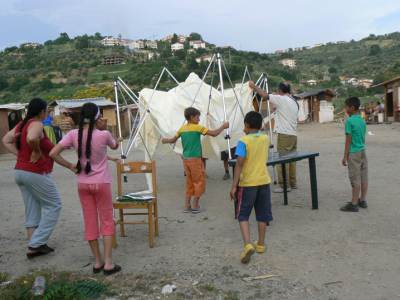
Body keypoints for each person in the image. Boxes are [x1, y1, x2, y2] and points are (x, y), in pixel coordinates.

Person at [50, 102, 122, 275]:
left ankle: (97, 262)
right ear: (97, 117)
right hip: (102, 183)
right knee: (106, 220)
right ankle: (108, 263)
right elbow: (114, 146)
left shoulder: (73, 134)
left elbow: (52, 153)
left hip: (83, 183)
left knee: (90, 221)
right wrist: (111, 134)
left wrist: (70, 166)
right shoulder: (104, 134)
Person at [2, 98, 75, 259]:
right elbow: (32, 138)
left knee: (32, 208)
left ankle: (34, 245)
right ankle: (36, 243)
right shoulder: (37, 124)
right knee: (54, 205)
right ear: (41, 111)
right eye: (47, 110)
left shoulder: (22, 124)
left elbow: (6, 140)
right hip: (34, 172)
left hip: (20, 171)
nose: (48, 113)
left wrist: (21, 155)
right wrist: (34, 151)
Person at [162, 107, 229, 214]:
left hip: (186, 160)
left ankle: (187, 205)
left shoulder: (182, 129)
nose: (199, 119)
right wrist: (223, 127)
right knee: (199, 181)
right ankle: (195, 205)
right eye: (198, 117)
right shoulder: (197, 128)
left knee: (189, 182)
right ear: (192, 117)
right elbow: (214, 133)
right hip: (195, 160)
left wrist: (164, 140)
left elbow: (172, 140)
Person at [230, 111, 272, 264]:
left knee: (243, 215)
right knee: (262, 214)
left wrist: (234, 186)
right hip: (264, 181)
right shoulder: (265, 138)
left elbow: (239, 163)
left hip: (248, 184)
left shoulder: (243, 141)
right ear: (260, 125)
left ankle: (248, 244)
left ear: (246, 125)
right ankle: (260, 244)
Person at [249, 81, 299, 193]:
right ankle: (292, 182)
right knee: (292, 159)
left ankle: (284, 186)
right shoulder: (294, 101)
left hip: (284, 134)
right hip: (293, 135)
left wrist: (254, 86)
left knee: (282, 159)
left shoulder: (281, 99)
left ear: (280, 91)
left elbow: (265, 95)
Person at [340, 97, 368, 212]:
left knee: (354, 178)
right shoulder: (362, 120)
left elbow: (348, 141)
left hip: (354, 153)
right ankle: (363, 200)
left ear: (352, 108)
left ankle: (354, 203)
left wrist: (345, 156)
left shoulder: (349, 122)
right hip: (362, 151)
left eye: (346, 106)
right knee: (363, 177)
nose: (345, 108)